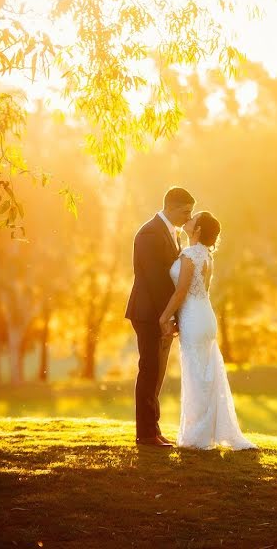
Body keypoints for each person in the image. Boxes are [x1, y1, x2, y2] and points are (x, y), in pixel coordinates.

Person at [159, 211, 258, 450]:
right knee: (205, 376)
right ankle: (203, 433)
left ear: (198, 230)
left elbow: (181, 292)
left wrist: (164, 316)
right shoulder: (206, 256)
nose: (188, 220)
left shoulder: (190, 254)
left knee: (196, 377)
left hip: (194, 318)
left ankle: (197, 437)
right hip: (205, 317)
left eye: (193, 220)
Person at [125, 187, 194, 447]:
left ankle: (153, 428)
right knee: (150, 369)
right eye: (185, 211)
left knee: (158, 371)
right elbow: (156, 281)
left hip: (161, 311)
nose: (189, 217)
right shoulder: (149, 233)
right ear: (171, 207)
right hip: (148, 311)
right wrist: (166, 317)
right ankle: (145, 434)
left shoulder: (171, 233)